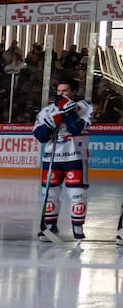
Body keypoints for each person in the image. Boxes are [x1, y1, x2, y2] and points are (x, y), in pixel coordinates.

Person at [34, 79, 95, 242]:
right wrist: (57, 116)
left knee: (78, 194)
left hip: (75, 157)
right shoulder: (46, 111)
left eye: (65, 91)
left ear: (73, 92)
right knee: (50, 193)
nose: (60, 94)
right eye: (59, 91)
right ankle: (50, 225)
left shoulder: (84, 107)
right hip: (51, 158)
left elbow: (76, 128)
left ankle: (77, 225)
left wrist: (68, 112)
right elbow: (40, 136)